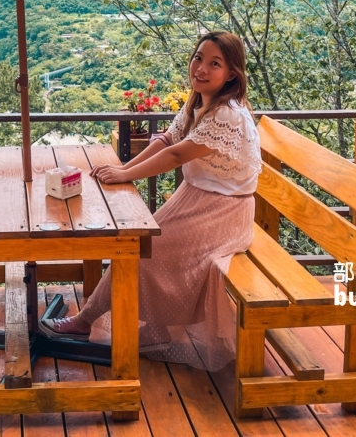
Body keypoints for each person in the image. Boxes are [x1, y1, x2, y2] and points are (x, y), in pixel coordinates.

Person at [39, 31, 262, 370]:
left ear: (232, 73)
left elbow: (175, 155)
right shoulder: (199, 102)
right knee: (140, 249)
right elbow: (166, 139)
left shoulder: (228, 115)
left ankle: (85, 321)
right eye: (198, 57)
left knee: (140, 250)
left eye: (214, 63)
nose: (200, 68)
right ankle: (143, 328)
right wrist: (123, 168)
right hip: (195, 201)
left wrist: (126, 176)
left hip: (222, 214)